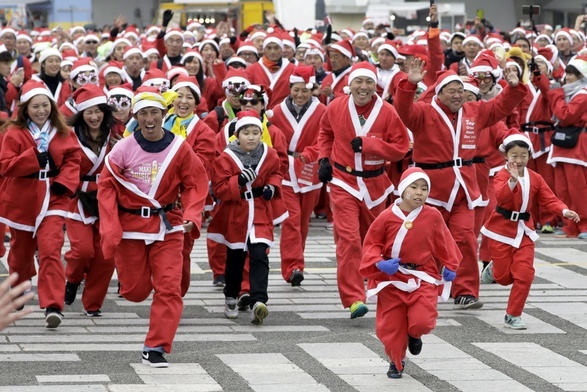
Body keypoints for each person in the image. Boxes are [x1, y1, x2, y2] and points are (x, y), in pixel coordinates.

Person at [393, 59, 527, 309]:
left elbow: (500, 107)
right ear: (439, 92)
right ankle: (420, 283)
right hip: (430, 189)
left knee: (465, 237)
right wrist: (409, 85)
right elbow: (403, 111)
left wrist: (512, 87)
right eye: (451, 91)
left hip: (464, 188)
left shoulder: (474, 111)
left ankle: (465, 292)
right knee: (422, 238)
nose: (457, 95)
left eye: (460, 91)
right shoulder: (424, 111)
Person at [98, 87, 208, 367]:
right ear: (136, 116)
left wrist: (192, 215)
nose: (149, 118)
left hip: (167, 225)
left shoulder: (180, 148)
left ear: (163, 114)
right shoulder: (122, 148)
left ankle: (156, 346)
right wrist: (110, 227)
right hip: (131, 227)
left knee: (169, 288)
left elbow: (196, 183)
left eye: (155, 113)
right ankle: (132, 283)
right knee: (135, 291)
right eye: (143, 113)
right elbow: (106, 187)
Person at [318, 61, 410, 318]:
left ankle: (375, 285)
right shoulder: (336, 106)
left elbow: (401, 147)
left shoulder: (388, 111)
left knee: (373, 241)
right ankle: (353, 298)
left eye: (369, 82)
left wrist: (370, 145)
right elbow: (325, 133)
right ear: (350, 84)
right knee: (348, 239)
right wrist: (324, 159)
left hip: (374, 185)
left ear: (375, 85)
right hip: (342, 182)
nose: (364, 87)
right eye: (359, 81)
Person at [360, 167, 460, 378]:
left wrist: (450, 265)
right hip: (392, 279)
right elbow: (372, 244)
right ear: (403, 189)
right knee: (391, 327)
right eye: (414, 187)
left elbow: (445, 242)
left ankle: (414, 335)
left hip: (422, 276)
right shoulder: (386, 216)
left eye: (424, 188)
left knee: (423, 320)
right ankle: (396, 362)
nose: (419, 192)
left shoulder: (432, 215)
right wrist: (379, 263)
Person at [0, 80, 81, 328]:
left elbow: (73, 159)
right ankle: (19, 287)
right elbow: (5, 165)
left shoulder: (63, 131)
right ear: (25, 108)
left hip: (53, 197)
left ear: (52, 106)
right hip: (22, 199)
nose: (41, 111)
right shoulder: (14, 132)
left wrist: (65, 184)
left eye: (44, 105)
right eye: (35, 106)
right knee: (20, 255)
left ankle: (53, 304)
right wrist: (32, 158)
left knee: (50, 250)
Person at [480, 134, 580, 329]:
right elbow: (501, 198)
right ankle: (493, 269)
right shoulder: (501, 175)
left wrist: (563, 210)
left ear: (529, 156)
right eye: (514, 156)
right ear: (505, 156)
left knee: (525, 274)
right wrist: (512, 181)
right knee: (503, 278)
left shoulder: (536, 177)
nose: (518, 160)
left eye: (523, 156)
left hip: (525, 231)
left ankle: (513, 314)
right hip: (501, 230)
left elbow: (548, 199)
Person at [207, 110, 283, 325]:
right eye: (246, 133)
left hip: (259, 210)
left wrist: (272, 187)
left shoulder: (269, 153)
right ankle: (231, 297)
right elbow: (218, 190)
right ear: (236, 135)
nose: (251, 137)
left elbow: (277, 173)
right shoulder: (225, 157)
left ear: (261, 133)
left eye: (255, 132)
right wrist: (238, 181)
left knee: (260, 254)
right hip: (236, 213)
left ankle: (259, 301)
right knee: (235, 259)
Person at [63, 85, 117, 317]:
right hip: (77, 198)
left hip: (107, 198)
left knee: (106, 255)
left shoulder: (115, 137)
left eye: (98, 111)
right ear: (81, 114)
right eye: (88, 112)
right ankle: (72, 280)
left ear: (105, 112)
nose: (94, 117)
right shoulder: (68, 136)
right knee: (82, 251)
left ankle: (93, 303)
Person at [270, 65, 326, 285]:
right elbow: (270, 137)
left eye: (305, 90)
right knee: (291, 220)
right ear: (290, 88)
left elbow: (326, 137)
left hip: (309, 170)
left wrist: (312, 152)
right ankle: (293, 267)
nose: (300, 94)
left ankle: (296, 261)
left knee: (303, 222)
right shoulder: (276, 111)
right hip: (285, 169)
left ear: (312, 90)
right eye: (296, 89)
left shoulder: (322, 111)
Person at [163, 75, 216, 296]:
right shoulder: (159, 123)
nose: (183, 101)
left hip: (185, 200)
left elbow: (201, 168)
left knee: (181, 249)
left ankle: (174, 293)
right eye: (179, 96)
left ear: (197, 102)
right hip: (158, 199)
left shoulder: (205, 132)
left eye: (189, 97)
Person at [545, 56, 587, 239]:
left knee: (578, 189)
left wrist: (556, 95)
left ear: (581, 76)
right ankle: (569, 226)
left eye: (572, 74)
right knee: (562, 190)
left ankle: (584, 226)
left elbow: (566, 115)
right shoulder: (567, 93)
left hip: (576, 147)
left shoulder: (583, 94)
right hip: (563, 145)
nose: (567, 77)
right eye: (567, 73)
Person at [245, 32, 295, 109]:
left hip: (284, 114)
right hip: (259, 114)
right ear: (264, 49)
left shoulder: (293, 69)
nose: (272, 51)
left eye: (276, 48)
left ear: (281, 49)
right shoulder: (252, 69)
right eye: (269, 48)